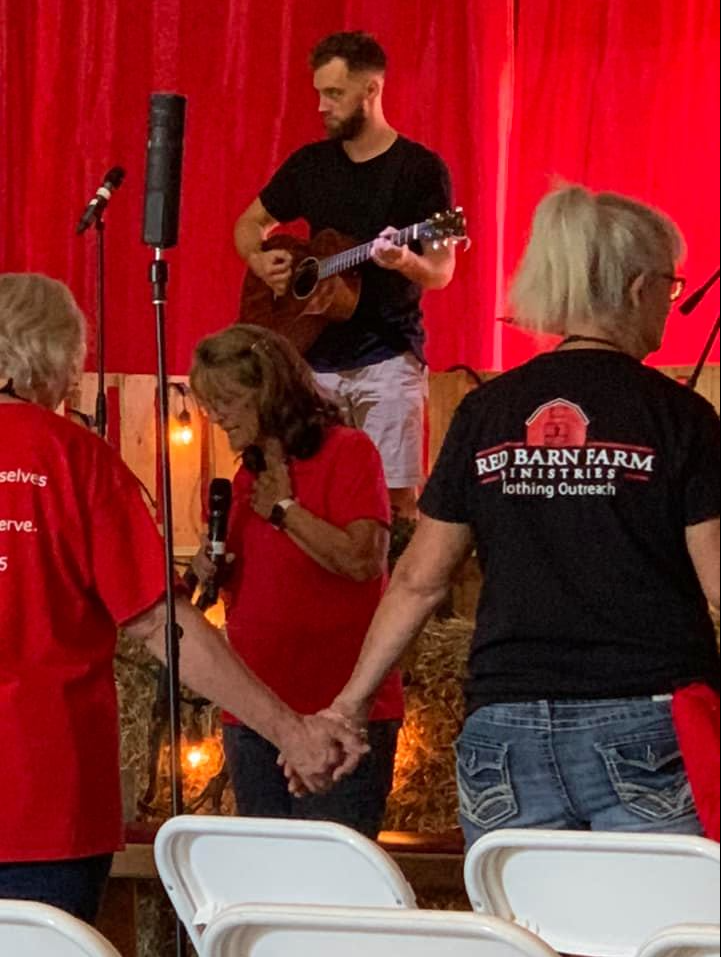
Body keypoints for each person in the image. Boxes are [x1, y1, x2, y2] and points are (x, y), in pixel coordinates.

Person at [301, 186, 721, 848]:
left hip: (504, 730)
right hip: (645, 722)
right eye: (670, 289)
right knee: (660, 916)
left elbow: (418, 579)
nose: (669, 306)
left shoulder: (487, 412)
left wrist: (347, 705)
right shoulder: (679, 416)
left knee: (522, 914)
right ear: (638, 287)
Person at [0, 274, 364, 924]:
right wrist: (292, 731)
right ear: (51, 354)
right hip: (45, 800)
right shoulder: (74, 458)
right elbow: (160, 623)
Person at [189, 323, 405, 839]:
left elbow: (363, 561)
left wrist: (285, 511)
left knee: (332, 870)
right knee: (267, 868)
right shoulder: (243, 479)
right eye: (209, 403)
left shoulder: (349, 452)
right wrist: (206, 569)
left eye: (227, 400)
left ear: (268, 393)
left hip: (339, 716)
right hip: (255, 715)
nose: (216, 415)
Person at [234, 31, 457, 518]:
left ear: (371, 90)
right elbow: (249, 224)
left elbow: (441, 270)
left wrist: (406, 262)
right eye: (319, 92)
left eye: (334, 93)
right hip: (311, 360)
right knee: (312, 495)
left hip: (388, 359)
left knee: (393, 500)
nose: (321, 106)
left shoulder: (419, 170)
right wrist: (258, 259)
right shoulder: (309, 166)